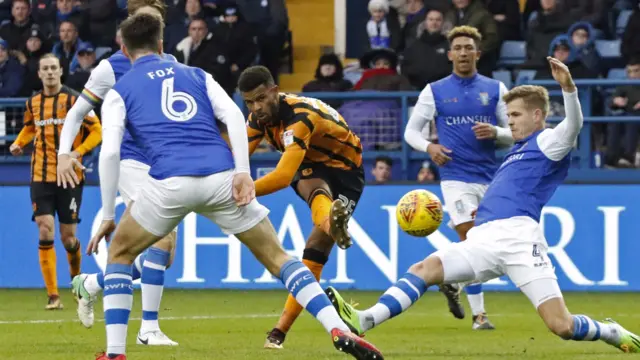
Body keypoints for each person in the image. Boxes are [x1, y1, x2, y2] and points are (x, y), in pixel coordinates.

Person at [89, 13, 383, 360]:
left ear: (123, 49)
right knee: (280, 259)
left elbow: (109, 153)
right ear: (163, 45)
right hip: (221, 177)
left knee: (121, 255)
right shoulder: (198, 74)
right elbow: (231, 114)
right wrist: (242, 172)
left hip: (167, 181)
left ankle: (114, 354)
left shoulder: (118, 91)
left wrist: (109, 213)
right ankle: (337, 327)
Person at [326, 57, 640, 354]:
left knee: (562, 325)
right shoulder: (514, 154)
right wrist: (487, 211)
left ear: (537, 115)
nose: (510, 123)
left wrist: (569, 89)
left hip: (520, 240)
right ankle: (364, 320)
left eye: (516, 115)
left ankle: (611, 333)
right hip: (483, 238)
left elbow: (574, 125)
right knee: (424, 269)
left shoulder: (547, 142)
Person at [56, 0, 180, 346]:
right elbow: (77, 112)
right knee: (163, 238)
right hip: (130, 161)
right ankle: (149, 329)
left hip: (165, 162)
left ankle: (91, 283)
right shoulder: (110, 68)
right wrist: (65, 153)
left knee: (161, 255)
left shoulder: (171, 64)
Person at [238, 65, 365, 349]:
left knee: (316, 250)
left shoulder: (299, 119)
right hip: (311, 163)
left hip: (347, 170)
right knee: (314, 192)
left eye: (260, 98)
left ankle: (330, 222)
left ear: (274, 92)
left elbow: (282, 178)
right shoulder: (258, 119)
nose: (256, 108)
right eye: (249, 102)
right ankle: (331, 221)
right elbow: (235, 159)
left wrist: (241, 192)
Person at [403, 25, 512, 329]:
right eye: (458, 48)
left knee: (493, 248)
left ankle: (453, 282)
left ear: (478, 53)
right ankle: (480, 316)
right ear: (450, 54)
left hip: (491, 178)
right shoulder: (434, 91)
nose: (463, 53)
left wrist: (497, 132)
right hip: (455, 176)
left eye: (469, 48)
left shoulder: (495, 89)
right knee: (470, 237)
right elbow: (411, 132)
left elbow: (515, 135)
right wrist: (430, 146)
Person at [9, 53, 102, 310]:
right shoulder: (33, 103)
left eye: (53, 68)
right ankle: (53, 296)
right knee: (44, 227)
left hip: (69, 175)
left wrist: (77, 152)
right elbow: (30, 126)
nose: (49, 72)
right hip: (40, 174)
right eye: (45, 69)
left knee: (68, 238)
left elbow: (97, 130)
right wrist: (19, 142)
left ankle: (76, 283)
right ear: (39, 74)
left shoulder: (76, 100)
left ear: (60, 70)